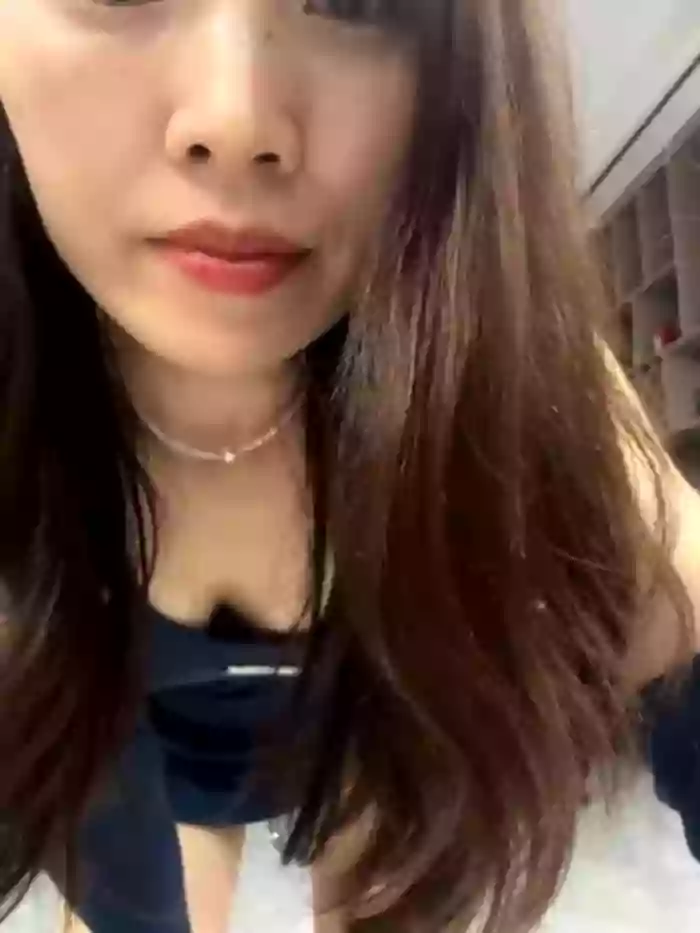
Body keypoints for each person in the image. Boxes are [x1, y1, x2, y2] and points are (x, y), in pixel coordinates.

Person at [0, 1, 699, 932]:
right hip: (132, 767)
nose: (235, 118)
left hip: (359, 754)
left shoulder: (514, 380)